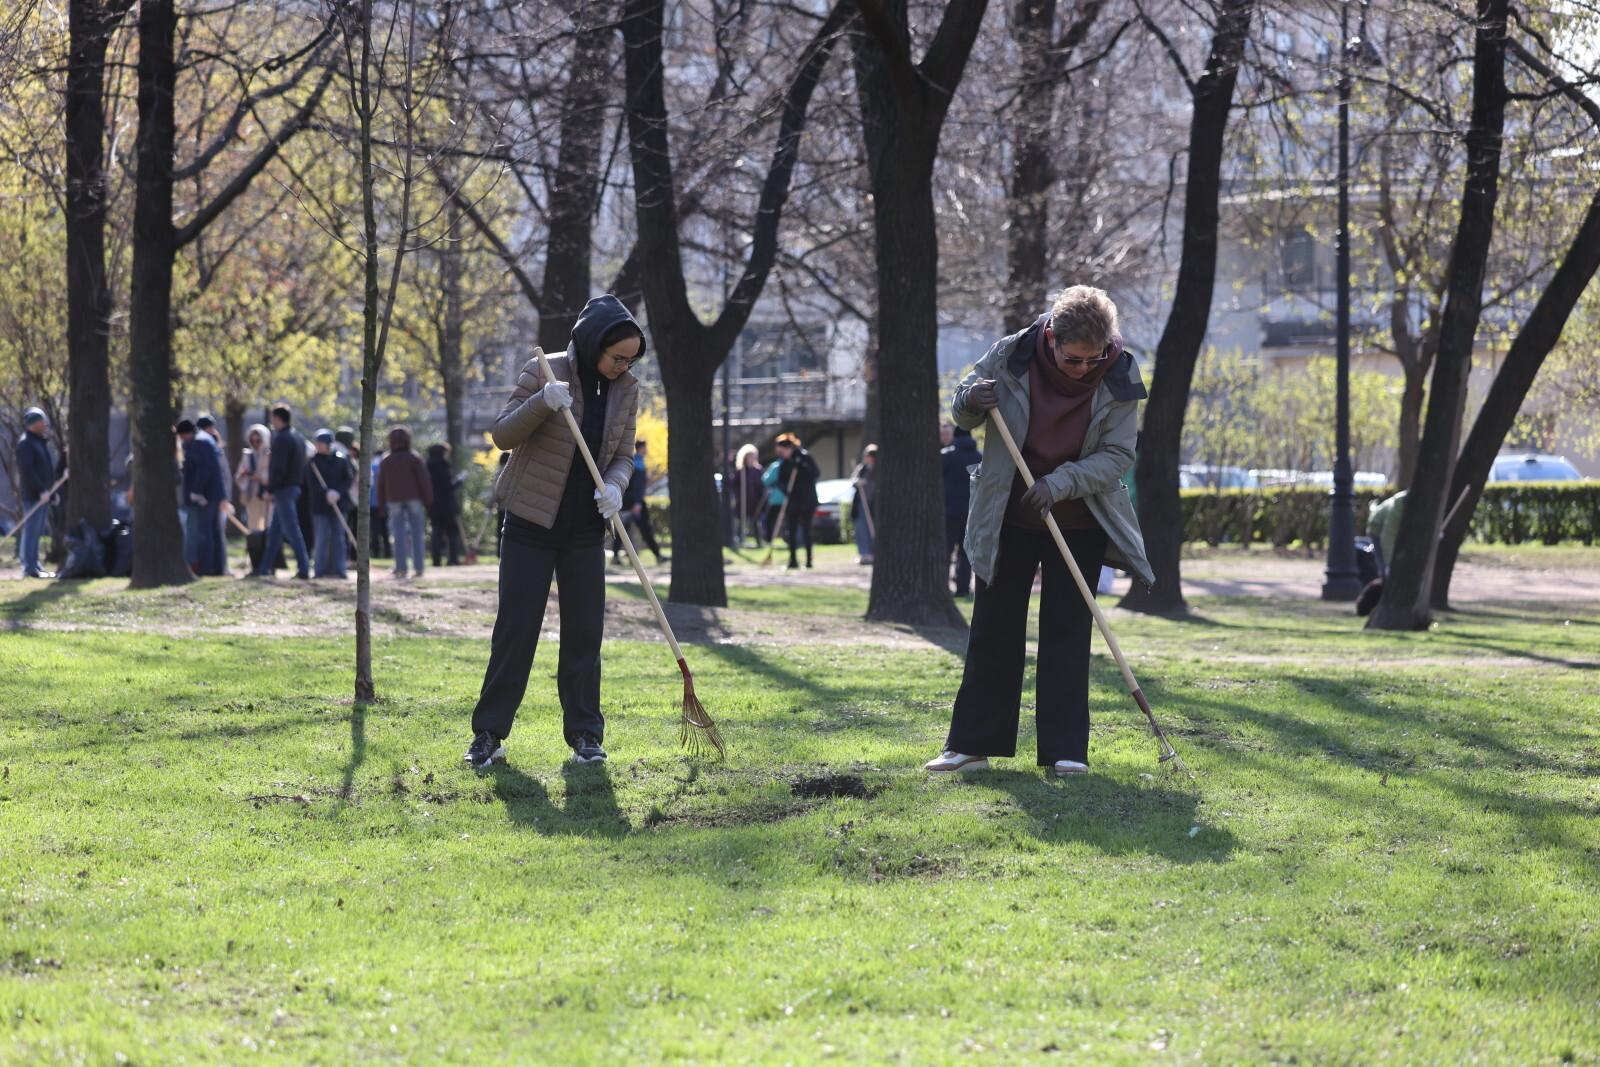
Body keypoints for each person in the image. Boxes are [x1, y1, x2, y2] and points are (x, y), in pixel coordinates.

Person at [927, 285, 1154, 777]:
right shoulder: (1011, 355)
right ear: (1051, 338)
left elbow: (1117, 456)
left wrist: (1061, 482)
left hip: (1078, 518)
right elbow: (962, 412)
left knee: (1068, 633)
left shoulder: (1119, 373)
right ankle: (971, 744)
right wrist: (970, 399)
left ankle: (1065, 750)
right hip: (1007, 513)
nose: (1084, 369)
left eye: (1094, 359)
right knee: (993, 629)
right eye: (1074, 360)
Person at [465, 295, 644, 770]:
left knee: (585, 633)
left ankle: (586, 735)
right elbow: (503, 434)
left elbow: (624, 454)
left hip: (585, 529)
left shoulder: (627, 390)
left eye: (630, 359)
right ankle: (488, 733)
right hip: (530, 522)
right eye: (617, 357)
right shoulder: (545, 370)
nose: (623, 367)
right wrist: (544, 402)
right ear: (594, 345)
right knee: (516, 631)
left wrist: (616, 485)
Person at [254, 404, 311, 580]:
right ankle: (264, 567)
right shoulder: (298, 437)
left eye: (273, 418)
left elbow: (278, 467)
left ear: (278, 418)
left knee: (291, 530)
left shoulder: (281, 439)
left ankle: (304, 568)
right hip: (293, 486)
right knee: (275, 532)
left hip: (283, 489)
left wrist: (270, 488)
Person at [378, 427, 432, 579]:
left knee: (397, 533)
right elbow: (424, 481)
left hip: (393, 499)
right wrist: (428, 500)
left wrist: (381, 505)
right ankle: (419, 568)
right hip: (414, 498)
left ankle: (401, 568)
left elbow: (381, 484)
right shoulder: (414, 458)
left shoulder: (386, 460)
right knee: (417, 533)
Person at [177, 419, 228, 576]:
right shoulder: (206, 439)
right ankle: (218, 566)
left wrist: (197, 491)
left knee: (204, 532)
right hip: (213, 493)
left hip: (205, 494)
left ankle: (207, 567)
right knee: (215, 531)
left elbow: (203, 469)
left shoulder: (199, 442)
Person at [14, 407, 56, 578]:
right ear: (33, 423)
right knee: (31, 531)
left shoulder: (39, 441)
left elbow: (45, 468)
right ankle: (29, 566)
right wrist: (40, 490)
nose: (43, 424)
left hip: (44, 494)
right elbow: (27, 471)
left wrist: (51, 492)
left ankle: (35, 564)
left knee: (38, 531)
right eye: (41, 421)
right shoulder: (26, 443)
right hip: (33, 496)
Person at [941, 423, 980, 597]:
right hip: (972, 511)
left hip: (949, 510)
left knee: (946, 549)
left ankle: (941, 586)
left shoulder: (946, 456)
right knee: (966, 552)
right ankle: (963, 587)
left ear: (955, 437)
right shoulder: (980, 457)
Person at [307, 429, 352, 580]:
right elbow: (312, 483)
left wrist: (337, 492)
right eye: (317, 443)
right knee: (321, 538)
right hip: (320, 505)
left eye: (321, 444)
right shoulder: (312, 462)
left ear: (328, 444)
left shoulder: (341, 459)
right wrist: (325, 492)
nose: (318, 446)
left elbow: (348, 479)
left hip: (339, 504)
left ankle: (340, 569)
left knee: (339, 537)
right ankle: (319, 570)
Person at [773, 432, 820, 569]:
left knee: (806, 530)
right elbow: (780, 481)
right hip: (792, 501)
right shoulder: (784, 462)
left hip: (807, 500)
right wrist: (785, 489)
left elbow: (815, 473)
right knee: (791, 530)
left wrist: (801, 467)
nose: (782, 454)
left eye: (783, 451)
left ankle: (809, 560)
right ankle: (793, 560)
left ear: (790, 448)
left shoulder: (805, 457)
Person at [615, 439, 665, 565]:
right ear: (641, 448)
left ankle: (616, 556)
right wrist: (637, 503)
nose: (646, 450)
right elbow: (637, 486)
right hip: (635, 503)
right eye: (645, 448)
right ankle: (658, 555)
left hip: (628, 502)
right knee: (645, 530)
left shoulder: (634, 462)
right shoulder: (638, 464)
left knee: (622, 530)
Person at [235, 423, 273, 572]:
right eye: (253, 440)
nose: (255, 443)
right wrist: (245, 475)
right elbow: (239, 476)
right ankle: (254, 562)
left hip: (266, 496)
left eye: (258, 440)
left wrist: (259, 477)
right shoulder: (247, 455)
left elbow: (269, 477)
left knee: (267, 529)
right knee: (253, 530)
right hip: (251, 496)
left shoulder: (269, 455)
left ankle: (267, 563)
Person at [426, 442, 465, 567]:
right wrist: (459, 481)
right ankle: (453, 559)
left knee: (436, 532)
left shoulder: (426, 467)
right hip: (447, 504)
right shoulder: (444, 466)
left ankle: (436, 560)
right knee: (452, 532)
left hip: (433, 504)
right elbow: (448, 487)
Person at [729, 444, 765, 546]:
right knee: (741, 521)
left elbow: (761, 485)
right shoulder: (740, 471)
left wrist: (761, 497)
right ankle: (739, 540)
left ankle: (759, 541)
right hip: (742, 500)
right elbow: (732, 484)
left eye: (753, 456)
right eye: (749, 456)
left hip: (754, 501)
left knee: (755, 521)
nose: (751, 458)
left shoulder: (758, 470)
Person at [1365, 488, 1407, 575]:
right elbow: (1387, 538)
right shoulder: (1396, 509)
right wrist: (1388, 564)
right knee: (1383, 564)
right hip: (1376, 527)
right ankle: (1382, 576)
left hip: (1392, 530)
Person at [849, 443, 878, 564]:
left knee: (873, 528)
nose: (867, 458)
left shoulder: (878, 469)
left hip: (873, 504)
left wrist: (867, 483)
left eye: (870, 455)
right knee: (861, 529)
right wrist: (857, 482)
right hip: (861, 504)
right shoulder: (862, 468)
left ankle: (874, 553)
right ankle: (864, 554)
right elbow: (853, 480)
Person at [369, 449, 391, 559]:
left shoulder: (370, 467)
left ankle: (376, 553)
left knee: (374, 531)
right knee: (384, 530)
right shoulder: (384, 467)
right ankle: (388, 553)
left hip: (372, 504)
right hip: (384, 503)